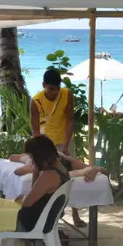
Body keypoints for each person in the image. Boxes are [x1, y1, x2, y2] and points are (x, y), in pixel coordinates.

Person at [30, 69, 86, 227]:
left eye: (57, 88)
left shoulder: (67, 94)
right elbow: (35, 130)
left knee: (70, 175)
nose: (54, 92)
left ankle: (75, 215)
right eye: (51, 89)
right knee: (42, 173)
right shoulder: (36, 101)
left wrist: (67, 145)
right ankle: (37, 208)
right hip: (46, 142)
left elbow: (69, 120)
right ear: (44, 85)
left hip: (65, 140)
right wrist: (41, 150)